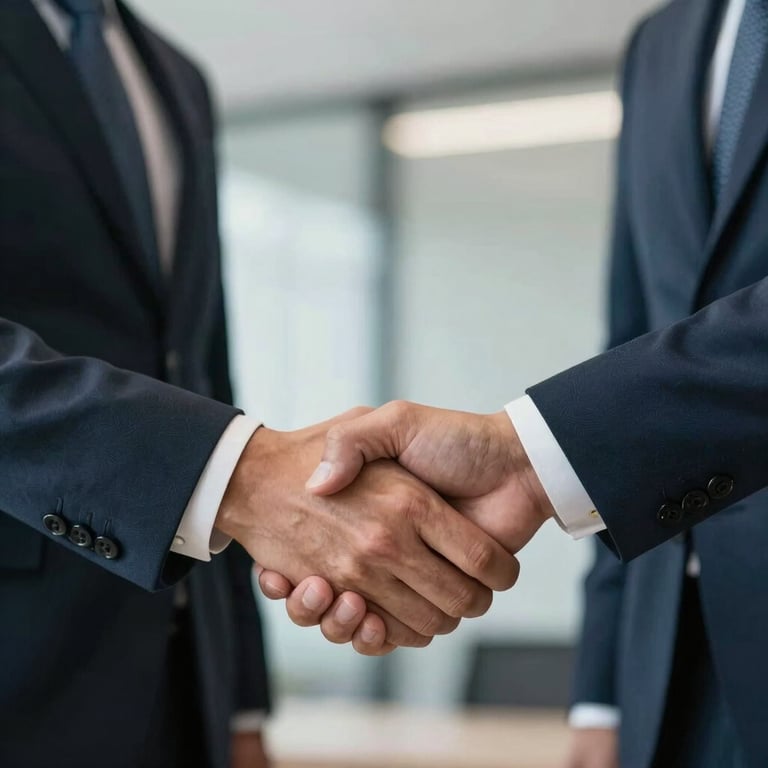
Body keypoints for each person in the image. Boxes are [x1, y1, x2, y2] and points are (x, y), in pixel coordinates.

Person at [0, 1, 522, 766]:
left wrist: (239, 698)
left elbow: (198, 373)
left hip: (181, 690)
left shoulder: (173, 77)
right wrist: (241, 474)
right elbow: (222, 448)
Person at [261, 1, 768, 765]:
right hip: (666, 663)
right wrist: (602, 692)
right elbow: (634, 347)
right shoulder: (663, 42)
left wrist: (529, 454)